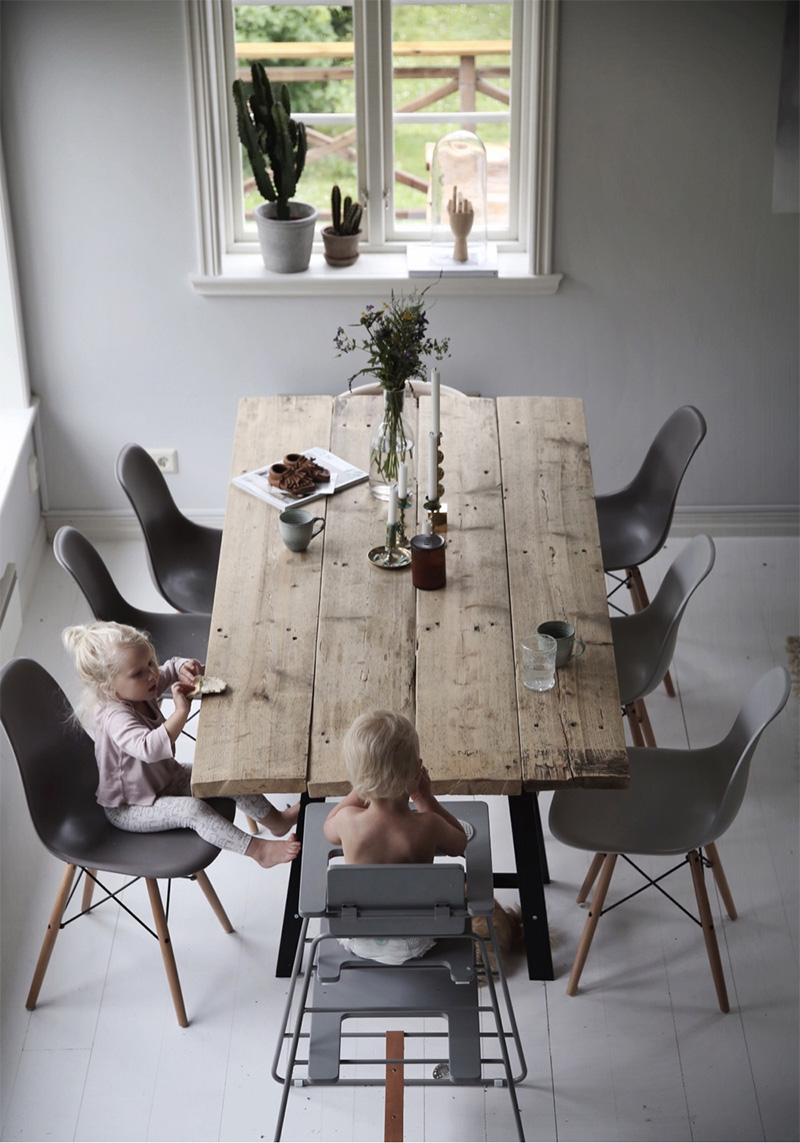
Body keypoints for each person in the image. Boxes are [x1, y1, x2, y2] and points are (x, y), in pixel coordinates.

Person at [62, 621, 300, 868]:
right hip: (131, 807)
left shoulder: (142, 685)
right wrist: (181, 711)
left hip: (166, 778)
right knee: (192, 811)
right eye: (139, 673)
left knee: (223, 777)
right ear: (109, 688)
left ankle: (278, 822)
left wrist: (184, 667)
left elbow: (169, 670)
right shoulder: (114, 717)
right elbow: (148, 749)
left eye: (150, 662)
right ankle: (259, 851)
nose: (152, 674)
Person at [323, 709, 470, 964]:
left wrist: (361, 789)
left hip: (359, 937)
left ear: (357, 776)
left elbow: (327, 829)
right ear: (416, 773)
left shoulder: (347, 821)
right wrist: (424, 797)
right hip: (416, 939)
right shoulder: (429, 826)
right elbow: (460, 842)